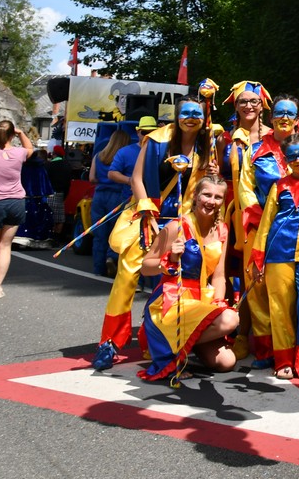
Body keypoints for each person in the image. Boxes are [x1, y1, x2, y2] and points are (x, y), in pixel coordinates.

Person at [93, 96, 217, 370]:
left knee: (178, 281)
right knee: (127, 276)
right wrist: (147, 208)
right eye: (186, 112)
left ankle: (164, 339)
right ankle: (110, 343)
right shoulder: (156, 140)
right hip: (149, 216)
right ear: (176, 115)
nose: (191, 117)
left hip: (184, 222)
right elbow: (137, 177)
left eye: (197, 112)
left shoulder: (208, 145)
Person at [137, 174, 238, 381]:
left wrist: (218, 303)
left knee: (226, 362)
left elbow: (219, 276)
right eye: (206, 195)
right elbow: (145, 267)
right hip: (171, 304)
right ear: (195, 195)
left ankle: (182, 346)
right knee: (230, 320)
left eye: (218, 197)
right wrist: (169, 260)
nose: (211, 201)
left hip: (201, 303)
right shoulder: (176, 227)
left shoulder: (222, 230)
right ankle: (168, 351)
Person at [251, 133, 299, 379]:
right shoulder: (278, 185)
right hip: (278, 252)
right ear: (285, 160)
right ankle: (283, 361)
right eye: (292, 157)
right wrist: (258, 257)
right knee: (280, 308)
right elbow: (266, 223)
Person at [221, 80, 271, 359]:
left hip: (265, 212)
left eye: (254, 101)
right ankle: (230, 330)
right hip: (231, 210)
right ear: (236, 106)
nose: (249, 106)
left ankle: (253, 333)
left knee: (255, 274)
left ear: (262, 104)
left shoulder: (275, 136)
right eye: (243, 101)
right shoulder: (226, 138)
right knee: (228, 272)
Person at [0, 120, 35, 298]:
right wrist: (21, 133)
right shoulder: (19, 153)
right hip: (15, 202)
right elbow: (31, 149)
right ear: (11, 135)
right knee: (5, 246)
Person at [88, 127, 132, 277]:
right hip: (117, 196)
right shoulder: (123, 156)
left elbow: (92, 178)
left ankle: (98, 269)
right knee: (116, 232)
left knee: (99, 234)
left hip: (99, 195)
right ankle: (111, 257)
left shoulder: (98, 156)